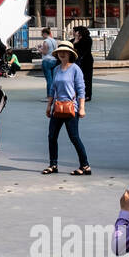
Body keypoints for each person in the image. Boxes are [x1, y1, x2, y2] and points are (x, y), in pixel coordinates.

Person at [41, 40, 90, 175]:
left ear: (70, 54)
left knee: (74, 137)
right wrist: (49, 106)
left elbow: (81, 89)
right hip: (57, 107)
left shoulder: (75, 69)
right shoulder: (56, 69)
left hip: (71, 107)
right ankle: (53, 165)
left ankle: (85, 165)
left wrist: (82, 108)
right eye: (60, 52)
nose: (62, 54)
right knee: (52, 136)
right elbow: (52, 89)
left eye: (65, 52)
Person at [72, 25, 95, 102]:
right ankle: (79, 94)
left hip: (86, 61)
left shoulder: (87, 39)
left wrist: (76, 41)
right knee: (78, 78)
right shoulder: (75, 40)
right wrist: (75, 40)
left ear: (78, 32)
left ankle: (87, 95)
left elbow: (82, 50)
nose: (73, 33)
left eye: (74, 31)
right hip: (78, 61)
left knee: (87, 78)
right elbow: (69, 45)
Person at [38, 27, 58, 96]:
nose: (42, 36)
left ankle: (49, 96)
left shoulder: (46, 41)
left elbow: (45, 52)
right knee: (53, 79)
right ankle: (54, 95)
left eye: (42, 34)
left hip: (47, 61)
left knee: (49, 79)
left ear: (45, 33)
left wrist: (39, 49)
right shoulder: (54, 41)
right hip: (54, 60)